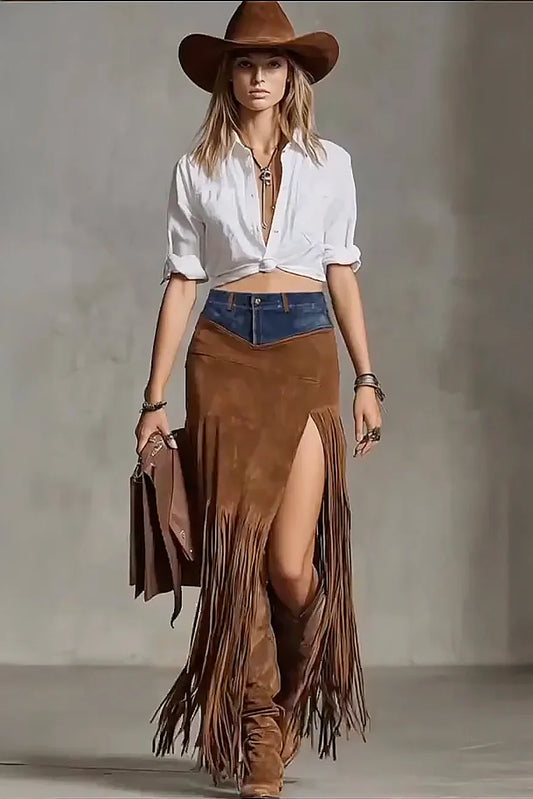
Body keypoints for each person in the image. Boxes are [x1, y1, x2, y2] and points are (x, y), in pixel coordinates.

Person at [134, 2, 385, 797]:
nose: (258, 76)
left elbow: (340, 268)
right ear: (227, 77)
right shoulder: (195, 169)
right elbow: (183, 280)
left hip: (304, 347)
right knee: (236, 558)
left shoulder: (330, 164)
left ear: (292, 76)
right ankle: (258, 729)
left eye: (272, 63)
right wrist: (152, 398)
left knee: (288, 563)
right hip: (223, 353)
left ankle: (294, 689)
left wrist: (366, 378)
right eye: (244, 64)